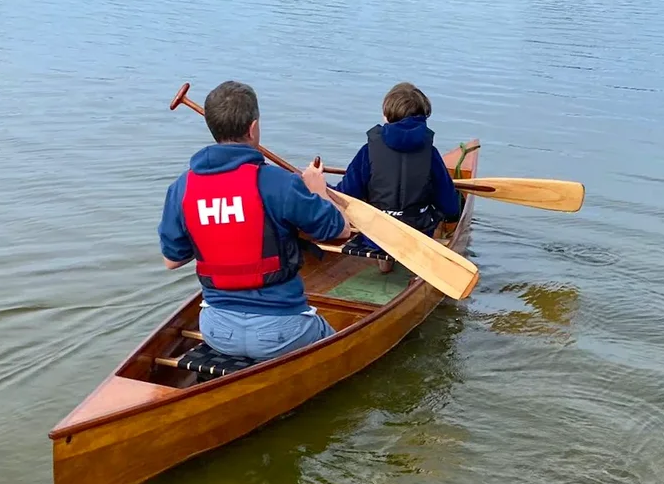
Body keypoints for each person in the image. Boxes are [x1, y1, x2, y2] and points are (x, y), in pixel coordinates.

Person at [159, 80, 349, 361]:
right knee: (338, 350)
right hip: (283, 331)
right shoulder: (279, 183)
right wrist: (318, 191)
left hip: (217, 330)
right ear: (253, 127)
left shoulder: (182, 187)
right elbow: (339, 230)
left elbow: (172, 260)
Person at [334, 82, 463, 269]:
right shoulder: (430, 154)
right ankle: (417, 267)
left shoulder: (369, 150)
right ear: (423, 117)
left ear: (386, 116)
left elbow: (346, 194)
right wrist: (455, 212)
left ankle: (384, 262)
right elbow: (449, 205)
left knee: (369, 203)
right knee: (446, 205)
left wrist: (321, 189)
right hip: (417, 234)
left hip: (377, 236)